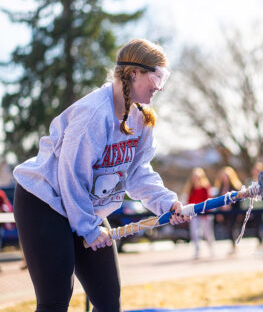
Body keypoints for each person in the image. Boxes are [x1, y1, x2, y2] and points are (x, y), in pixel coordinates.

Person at [12, 39, 190, 312]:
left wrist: (167, 204)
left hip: (83, 206)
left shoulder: (142, 119)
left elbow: (138, 173)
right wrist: (88, 228)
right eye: (156, 76)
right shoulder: (94, 114)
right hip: (46, 200)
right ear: (133, 73)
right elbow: (71, 177)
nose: (159, 86)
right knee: (56, 299)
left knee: (108, 301)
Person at [182, 167, 215, 259]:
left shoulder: (205, 187)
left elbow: (209, 201)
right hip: (194, 214)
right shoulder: (190, 188)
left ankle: (211, 248)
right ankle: (197, 250)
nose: (196, 178)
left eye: (198, 176)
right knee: (195, 233)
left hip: (205, 214)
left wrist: (207, 213)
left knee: (207, 233)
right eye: (194, 177)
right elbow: (188, 201)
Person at [213, 166, 242, 255]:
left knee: (232, 228)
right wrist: (219, 213)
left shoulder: (235, 187)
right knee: (228, 229)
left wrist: (239, 213)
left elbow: (239, 202)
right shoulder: (220, 188)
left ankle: (234, 245)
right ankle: (233, 245)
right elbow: (218, 201)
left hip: (233, 212)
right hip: (224, 212)